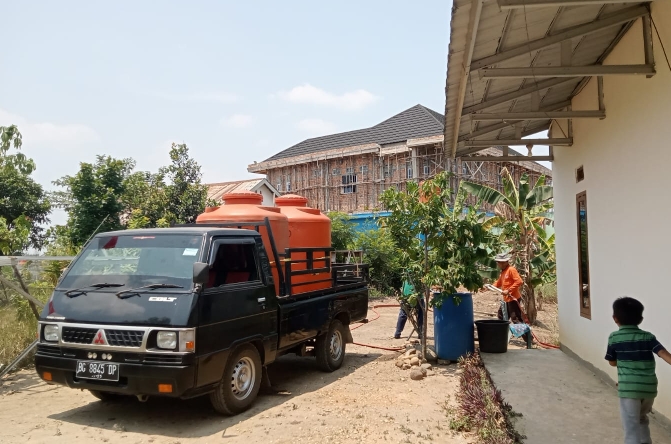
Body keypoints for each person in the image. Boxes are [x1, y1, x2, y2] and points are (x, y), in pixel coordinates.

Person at [605, 297, 671, 444]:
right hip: (649, 389)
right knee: (642, 419)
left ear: (615, 318)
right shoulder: (648, 337)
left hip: (628, 390)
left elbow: (612, 362)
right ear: (640, 319)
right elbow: (664, 355)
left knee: (631, 427)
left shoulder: (614, 338)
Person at [493, 253, 525, 324]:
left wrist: (508, 290)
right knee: (501, 317)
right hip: (506, 300)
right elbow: (498, 283)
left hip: (513, 299)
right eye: (497, 262)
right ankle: (502, 334)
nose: (498, 264)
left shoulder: (511, 270)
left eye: (499, 262)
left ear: (504, 262)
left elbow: (519, 281)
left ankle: (526, 335)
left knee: (516, 319)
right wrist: (487, 287)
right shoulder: (503, 272)